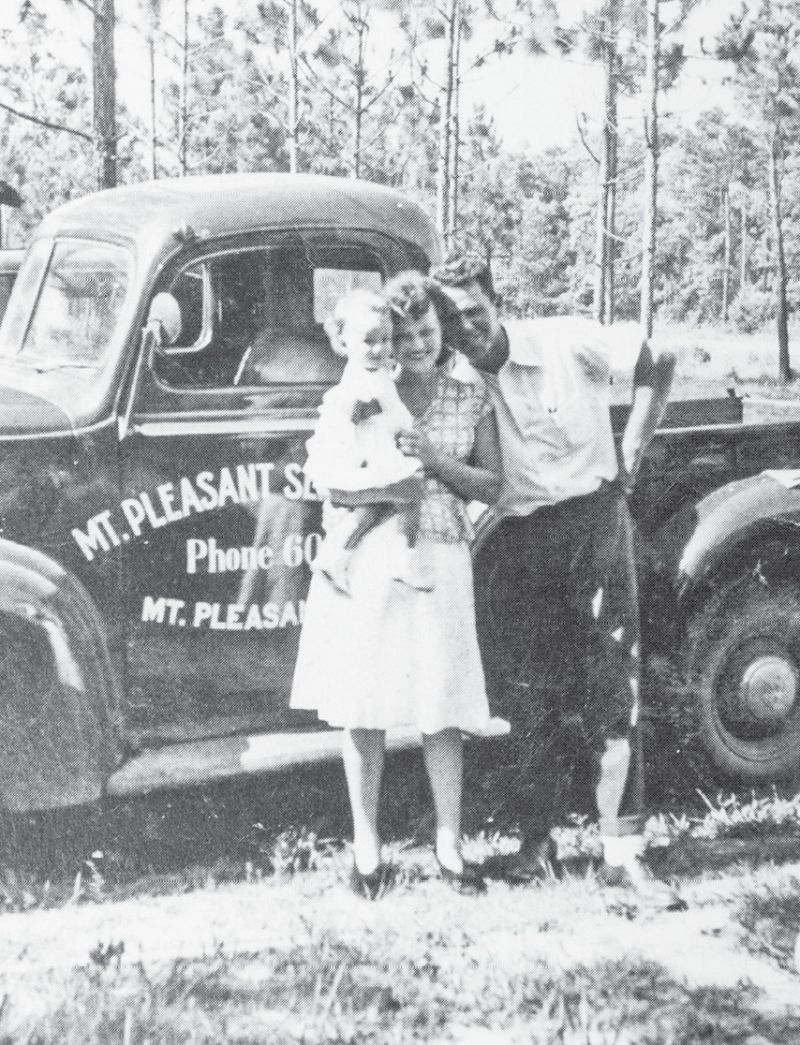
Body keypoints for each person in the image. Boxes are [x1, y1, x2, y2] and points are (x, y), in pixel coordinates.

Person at [432, 253, 675, 889]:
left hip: (593, 523)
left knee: (610, 683)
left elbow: (659, 358)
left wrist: (636, 441)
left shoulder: (567, 340)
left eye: (473, 313)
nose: (466, 330)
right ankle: (535, 845)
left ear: (495, 302)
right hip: (519, 539)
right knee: (526, 697)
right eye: (452, 323)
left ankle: (623, 854)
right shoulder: (456, 384)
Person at [290, 271, 502, 898]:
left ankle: (450, 848)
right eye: (401, 334)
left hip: (437, 555)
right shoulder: (363, 388)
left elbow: (493, 485)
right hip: (367, 559)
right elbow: (328, 479)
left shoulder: (470, 393)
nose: (412, 345)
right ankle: (367, 850)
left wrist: (435, 464)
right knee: (363, 707)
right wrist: (391, 491)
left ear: (443, 330)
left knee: (441, 707)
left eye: (425, 331)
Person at [302, 288, 428, 595]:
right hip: (360, 462)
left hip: (368, 459)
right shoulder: (358, 383)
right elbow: (363, 414)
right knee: (411, 493)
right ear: (344, 342)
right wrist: (393, 418)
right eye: (368, 340)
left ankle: (335, 556)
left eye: (385, 340)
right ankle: (404, 558)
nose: (378, 349)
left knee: (371, 510)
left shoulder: (375, 372)